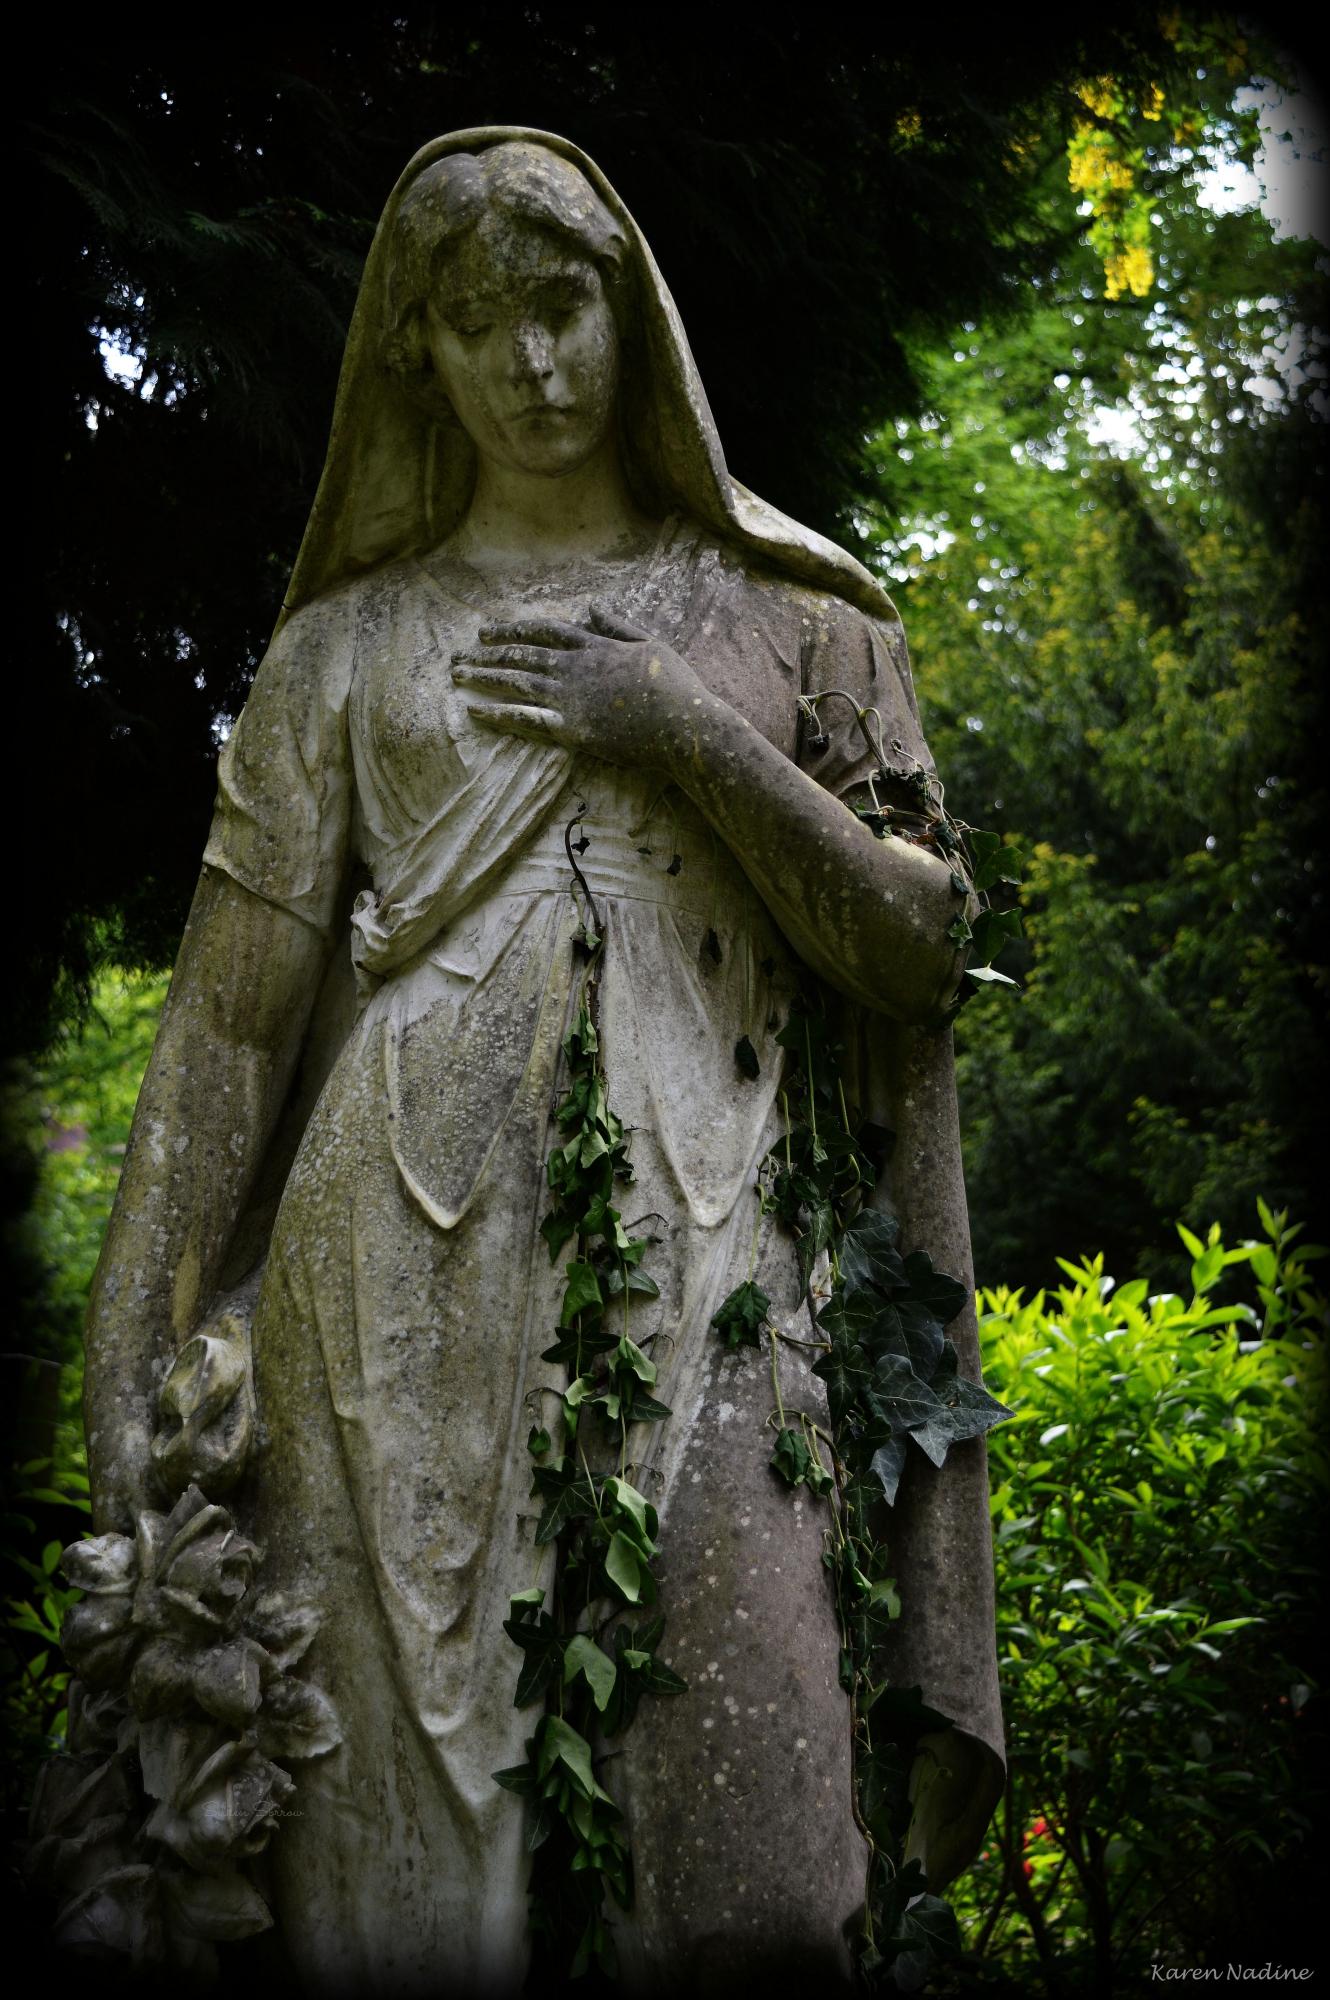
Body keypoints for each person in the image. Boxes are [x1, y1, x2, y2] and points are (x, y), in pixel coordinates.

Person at [83, 129, 1003, 1993]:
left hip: (722, 1266)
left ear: (627, 310)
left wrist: (676, 724)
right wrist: (131, 1354)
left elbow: (917, 948)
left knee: (760, 1885)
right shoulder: (341, 654)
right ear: (417, 353)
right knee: (401, 1901)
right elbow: (228, 1032)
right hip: (385, 1304)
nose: (530, 363)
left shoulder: (797, 617)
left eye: (562, 306)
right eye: (478, 322)